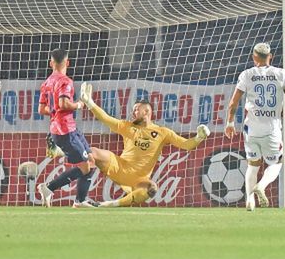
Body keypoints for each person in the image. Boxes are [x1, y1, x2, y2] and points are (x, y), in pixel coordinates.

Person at [79, 82, 210, 207]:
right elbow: (106, 118)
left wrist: (199, 137)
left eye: (136, 109)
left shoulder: (163, 132)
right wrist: (89, 103)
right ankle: (79, 197)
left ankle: (108, 204)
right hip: (118, 167)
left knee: (152, 188)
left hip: (139, 180)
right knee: (92, 152)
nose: (133, 113)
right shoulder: (127, 126)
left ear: (146, 112)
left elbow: (186, 145)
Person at [225, 43, 285, 211]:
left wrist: (230, 122)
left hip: (251, 129)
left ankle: (250, 202)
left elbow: (233, 103)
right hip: (271, 129)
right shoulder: (281, 74)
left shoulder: (247, 74)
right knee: (277, 162)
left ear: (254, 57)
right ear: (270, 56)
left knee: (253, 164)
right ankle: (262, 185)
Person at [36, 48, 95, 208]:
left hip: (68, 129)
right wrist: (79, 105)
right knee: (85, 167)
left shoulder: (46, 83)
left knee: (91, 160)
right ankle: (48, 188)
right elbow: (63, 103)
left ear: (51, 63)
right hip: (65, 131)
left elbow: (42, 109)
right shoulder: (65, 81)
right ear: (67, 63)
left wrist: (54, 111)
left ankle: (80, 200)